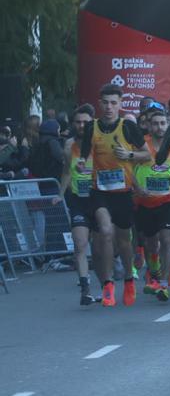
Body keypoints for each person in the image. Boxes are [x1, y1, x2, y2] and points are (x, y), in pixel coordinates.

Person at [78, 83, 150, 307]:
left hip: (122, 191)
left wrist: (129, 155)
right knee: (106, 231)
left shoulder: (127, 126)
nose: (109, 107)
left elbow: (147, 155)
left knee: (124, 241)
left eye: (113, 103)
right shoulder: (92, 127)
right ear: (100, 104)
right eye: (105, 103)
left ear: (120, 104)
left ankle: (128, 278)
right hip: (99, 190)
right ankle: (108, 284)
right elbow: (84, 154)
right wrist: (81, 163)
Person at [132, 105, 170, 303]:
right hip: (145, 201)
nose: (159, 127)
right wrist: (137, 188)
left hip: (169, 200)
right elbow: (128, 168)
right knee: (151, 244)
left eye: (163, 123)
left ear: (168, 125)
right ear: (149, 126)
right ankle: (156, 274)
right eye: (155, 124)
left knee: (166, 239)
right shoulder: (142, 147)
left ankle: (164, 284)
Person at [59, 107, 97, 304]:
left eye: (85, 122)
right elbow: (67, 171)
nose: (81, 125)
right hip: (78, 201)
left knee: (100, 247)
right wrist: (59, 194)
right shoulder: (69, 145)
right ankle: (85, 288)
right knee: (80, 244)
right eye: (78, 122)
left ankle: (108, 280)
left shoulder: (99, 143)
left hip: (99, 200)